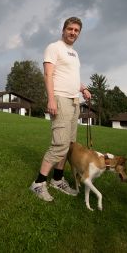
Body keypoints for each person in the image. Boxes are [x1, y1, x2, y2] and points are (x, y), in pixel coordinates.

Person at [30, 17, 91, 201]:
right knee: (59, 144)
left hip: (74, 100)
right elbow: (48, 74)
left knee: (69, 144)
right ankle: (38, 184)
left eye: (77, 30)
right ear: (63, 30)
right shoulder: (54, 47)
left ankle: (57, 179)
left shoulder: (74, 53)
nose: (73, 32)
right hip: (60, 98)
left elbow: (71, 76)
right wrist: (51, 99)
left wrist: (83, 88)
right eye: (70, 29)